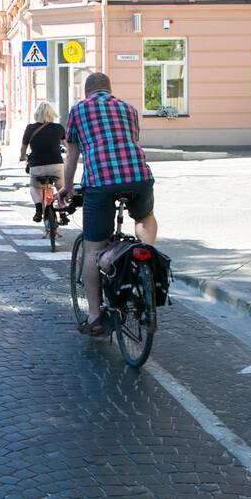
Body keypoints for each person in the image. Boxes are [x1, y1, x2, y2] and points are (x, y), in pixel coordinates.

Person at [57, 72, 156, 336]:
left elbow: (73, 154)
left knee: (93, 249)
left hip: (101, 181)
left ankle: (95, 316)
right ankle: (143, 263)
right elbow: (130, 141)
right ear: (109, 90)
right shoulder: (128, 108)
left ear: (87, 91)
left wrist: (66, 187)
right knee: (144, 219)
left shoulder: (78, 110)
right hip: (139, 177)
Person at [21, 101, 67, 223]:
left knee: (34, 187)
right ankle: (62, 213)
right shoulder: (58, 128)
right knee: (61, 188)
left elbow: (24, 147)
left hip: (37, 166)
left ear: (37, 114)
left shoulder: (30, 128)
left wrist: (22, 157)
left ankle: (38, 210)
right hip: (56, 165)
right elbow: (67, 146)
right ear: (52, 114)